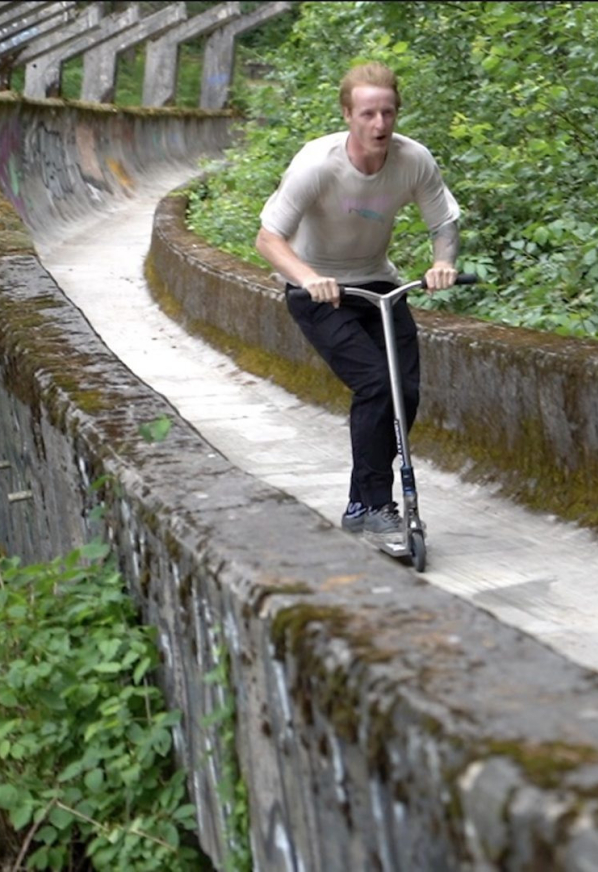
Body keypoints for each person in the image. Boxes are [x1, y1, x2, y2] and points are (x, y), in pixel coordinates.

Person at [254, 61, 460, 548]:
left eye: (388, 113)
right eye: (368, 113)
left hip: (378, 286)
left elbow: (443, 223)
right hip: (317, 291)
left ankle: (359, 504)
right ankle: (379, 507)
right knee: (376, 385)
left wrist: (442, 263)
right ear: (347, 114)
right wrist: (308, 278)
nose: (380, 125)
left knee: (403, 393)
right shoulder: (317, 164)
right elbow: (268, 239)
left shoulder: (414, 161)